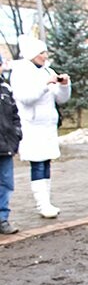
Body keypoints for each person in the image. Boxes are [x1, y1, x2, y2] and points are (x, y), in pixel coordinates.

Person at [11, 35, 71, 219]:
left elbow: (61, 99)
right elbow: (25, 97)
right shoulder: (21, 71)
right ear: (32, 54)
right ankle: (42, 203)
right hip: (32, 126)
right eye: (42, 52)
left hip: (48, 126)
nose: (45, 56)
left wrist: (64, 85)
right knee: (37, 164)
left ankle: (47, 201)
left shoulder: (47, 71)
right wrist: (46, 84)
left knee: (46, 164)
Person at [0, 56, 22, 233]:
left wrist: (16, 134)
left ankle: (3, 218)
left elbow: (15, 115)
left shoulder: (5, 89)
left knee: (6, 183)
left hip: (6, 145)